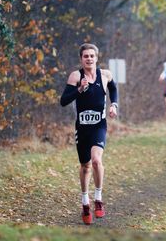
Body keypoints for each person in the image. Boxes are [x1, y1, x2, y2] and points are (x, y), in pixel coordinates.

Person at [60, 43, 118, 225]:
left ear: (96, 58)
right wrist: (79, 89)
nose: (89, 59)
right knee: (85, 166)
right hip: (82, 128)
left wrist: (114, 105)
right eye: (86, 56)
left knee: (96, 160)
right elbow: (63, 101)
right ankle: (85, 202)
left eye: (92, 56)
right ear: (81, 59)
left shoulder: (105, 75)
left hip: (99, 125)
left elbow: (113, 90)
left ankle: (98, 199)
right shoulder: (76, 76)